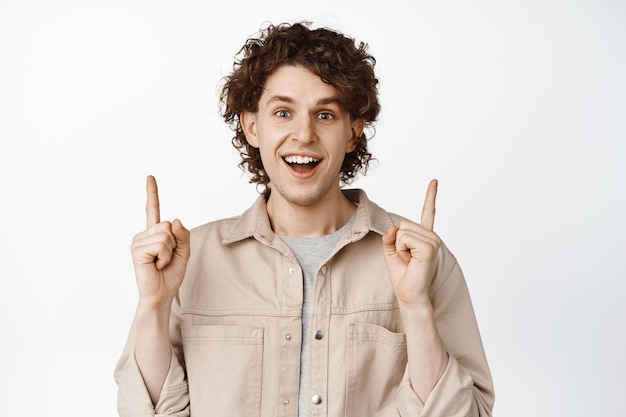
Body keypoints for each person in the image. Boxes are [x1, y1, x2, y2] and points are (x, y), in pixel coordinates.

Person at [114, 21, 495, 417]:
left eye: (325, 115)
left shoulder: (420, 259)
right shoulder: (189, 260)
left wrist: (415, 307)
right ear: (252, 126)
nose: (304, 134)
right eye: (283, 112)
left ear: (353, 132)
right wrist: (153, 306)